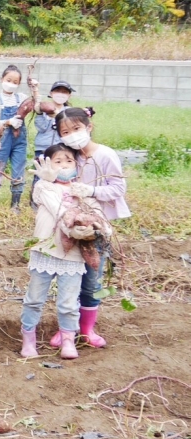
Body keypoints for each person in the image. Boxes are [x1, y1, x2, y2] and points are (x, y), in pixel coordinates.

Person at [22, 145, 111, 359]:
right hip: (45, 251)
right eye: (58, 161)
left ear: (76, 165)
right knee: (34, 298)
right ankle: (28, 340)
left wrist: (97, 229)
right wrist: (72, 226)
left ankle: (68, 340)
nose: (63, 165)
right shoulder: (44, 188)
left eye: (69, 161)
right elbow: (58, 210)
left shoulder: (82, 192)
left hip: (72, 255)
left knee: (69, 302)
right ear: (48, 165)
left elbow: (101, 219)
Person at [53, 107, 129, 349]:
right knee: (69, 280)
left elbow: (118, 189)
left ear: (89, 127)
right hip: (72, 228)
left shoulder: (105, 155)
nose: (72, 135)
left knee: (92, 281)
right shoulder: (68, 156)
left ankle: (87, 329)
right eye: (65, 131)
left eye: (76, 129)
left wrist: (92, 191)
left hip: (97, 229)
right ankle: (67, 328)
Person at [0, 65, 30, 211]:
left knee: (18, 169)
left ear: (19, 84)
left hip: (20, 140)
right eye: (9, 80)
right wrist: (7, 121)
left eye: (15, 82)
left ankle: (15, 204)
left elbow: (35, 105)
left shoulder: (22, 98)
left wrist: (34, 88)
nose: (11, 84)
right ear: (2, 79)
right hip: (3, 140)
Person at [31, 80, 73, 205]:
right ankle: (36, 201)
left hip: (61, 148)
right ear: (51, 93)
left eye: (64, 92)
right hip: (43, 147)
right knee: (40, 174)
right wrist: (41, 113)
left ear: (69, 95)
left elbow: (69, 128)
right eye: (58, 91)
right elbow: (41, 127)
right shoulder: (45, 108)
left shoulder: (69, 111)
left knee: (60, 174)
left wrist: (58, 116)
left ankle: (57, 199)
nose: (61, 94)